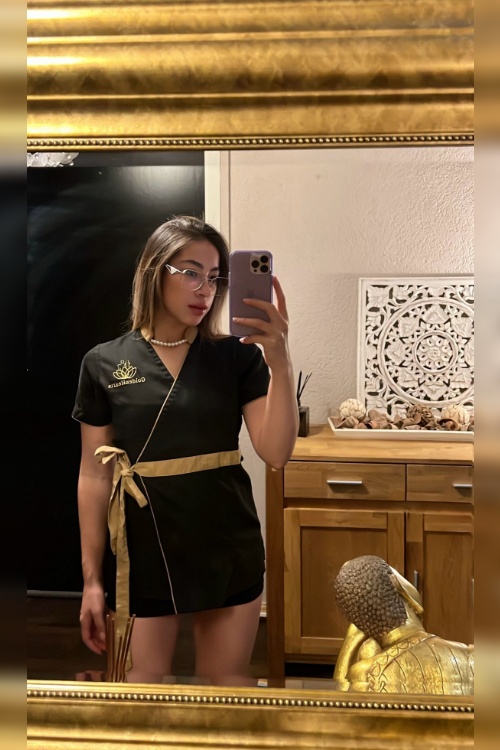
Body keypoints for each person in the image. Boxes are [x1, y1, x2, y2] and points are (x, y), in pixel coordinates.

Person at [72, 215, 299, 683]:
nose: (205, 290)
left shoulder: (237, 357)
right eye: (191, 273)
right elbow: (94, 475)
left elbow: (276, 452)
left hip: (226, 543)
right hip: (145, 547)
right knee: (140, 692)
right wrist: (91, 581)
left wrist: (279, 361)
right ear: (154, 271)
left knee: (224, 692)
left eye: (214, 277)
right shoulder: (104, 362)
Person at [333, 555, 474, 694]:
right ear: (397, 584)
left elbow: (341, 700)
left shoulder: (366, 673)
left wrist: (350, 644)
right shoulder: (470, 656)